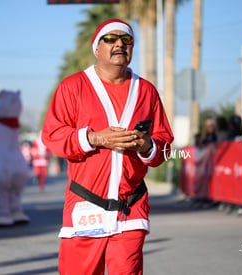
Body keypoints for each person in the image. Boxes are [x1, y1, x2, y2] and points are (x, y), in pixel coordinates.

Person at [42, 18, 174, 274]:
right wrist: (95, 138)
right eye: (110, 39)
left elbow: (165, 145)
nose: (119, 45)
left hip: (131, 208)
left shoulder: (146, 91)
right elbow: (52, 136)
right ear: (97, 47)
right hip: (85, 205)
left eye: (126, 40)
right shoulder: (73, 87)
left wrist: (148, 146)